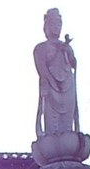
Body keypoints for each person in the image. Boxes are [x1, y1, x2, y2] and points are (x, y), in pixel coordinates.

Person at [33, 8, 80, 137]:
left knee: (67, 121)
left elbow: (73, 64)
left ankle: (68, 135)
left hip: (67, 84)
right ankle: (52, 137)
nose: (56, 28)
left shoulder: (65, 46)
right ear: (46, 27)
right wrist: (48, 80)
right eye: (53, 24)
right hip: (50, 83)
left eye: (58, 24)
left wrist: (68, 51)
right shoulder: (40, 48)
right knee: (52, 120)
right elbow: (41, 68)